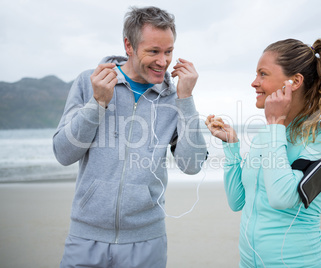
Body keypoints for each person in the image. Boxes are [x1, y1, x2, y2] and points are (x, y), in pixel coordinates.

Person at [53, 6, 208, 268]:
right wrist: (98, 103)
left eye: (168, 51)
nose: (163, 62)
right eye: (153, 51)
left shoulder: (174, 97)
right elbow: (63, 153)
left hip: (147, 240)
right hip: (85, 238)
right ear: (129, 45)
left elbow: (192, 165)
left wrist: (186, 99)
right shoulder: (88, 82)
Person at [206, 38, 321, 267]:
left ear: (295, 81)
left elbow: (282, 197)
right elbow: (237, 202)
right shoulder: (267, 136)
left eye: (263, 74)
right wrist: (232, 146)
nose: (254, 83)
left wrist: (275, 123)